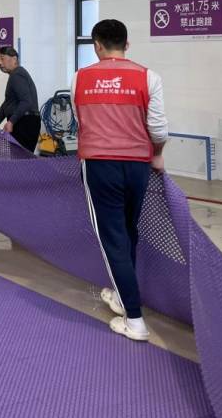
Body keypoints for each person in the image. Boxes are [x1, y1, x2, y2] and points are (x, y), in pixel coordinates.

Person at [70, 19, 167, 343]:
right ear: (127, 44)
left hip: (100, 165)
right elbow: (159, 129)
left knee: (112, 240)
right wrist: (157, 155)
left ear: (97, 46)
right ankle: (120, 294)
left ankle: (134, 320)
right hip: (138, 166)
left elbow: (81, 121)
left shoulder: (80, 78)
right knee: (127, 231)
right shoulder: (148, 77)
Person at [0, 46, 41, 153]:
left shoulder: (17, 74)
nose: (0, 63)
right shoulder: (15, 75)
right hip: (23, 122)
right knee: (18, 158)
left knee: (20, 159)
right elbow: (7, 103)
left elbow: (26, 101)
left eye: (2, 58)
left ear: (14, 59)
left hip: (25, 123)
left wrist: (11, 121)